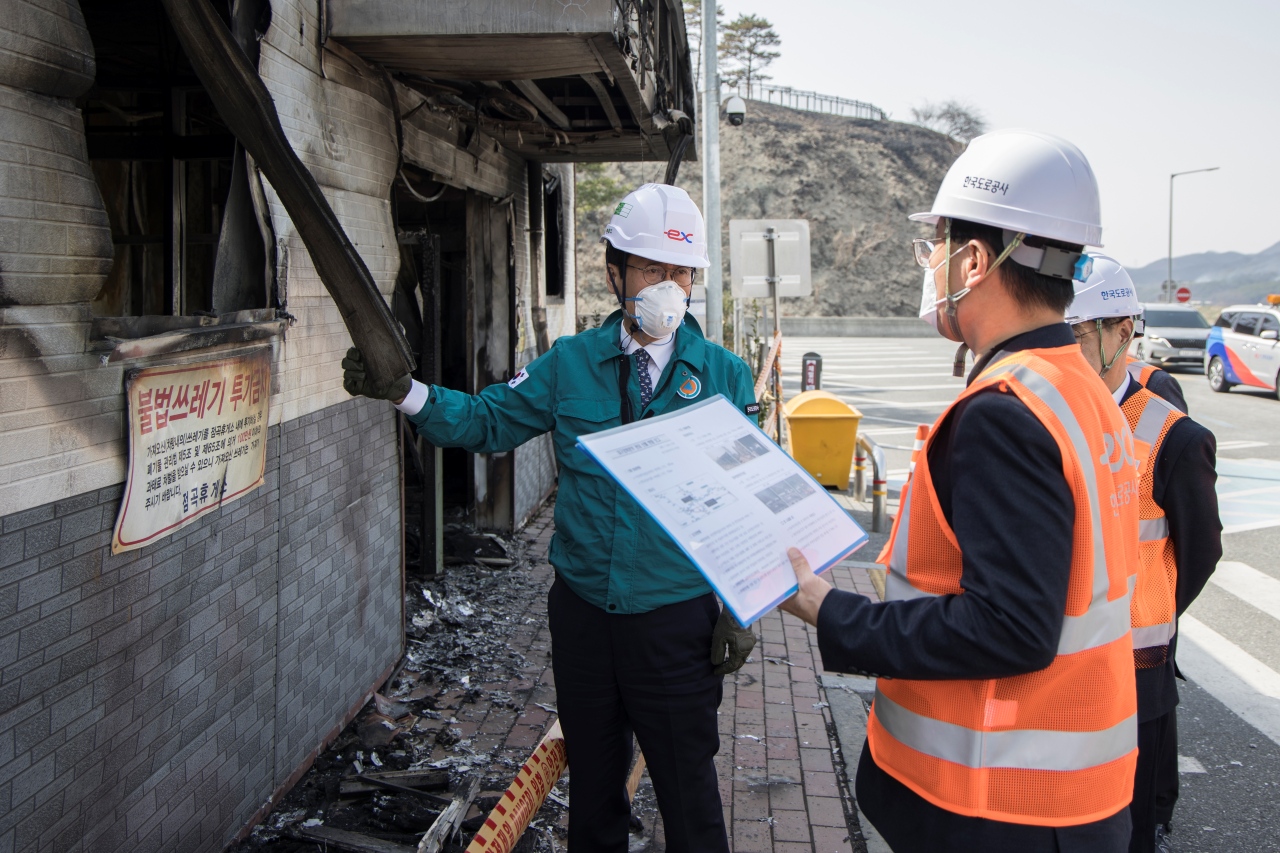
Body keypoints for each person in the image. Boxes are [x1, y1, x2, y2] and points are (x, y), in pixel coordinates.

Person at [342, 182, 757, 853]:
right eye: (653, 269)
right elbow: (487, 421)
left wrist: (741, 609)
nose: (670, 287)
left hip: (675, 622)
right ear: (615, 273)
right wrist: (405, 393)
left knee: (691, 799)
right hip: (584, 620)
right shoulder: (569, 363)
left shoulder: (724, 376)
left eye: (683, 272)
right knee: (593, 792)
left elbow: (746, 502)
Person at [778, 129, 1143, 852]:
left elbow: (1009, 627)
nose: (931, 265)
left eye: (934, 247)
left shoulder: (1005, 412)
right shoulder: (1080, 387)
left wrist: (829, 608)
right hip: (1073, 796)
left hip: (998, 802)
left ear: (975, 261)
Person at [1065, 257, 1222, 853]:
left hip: (1135, 672)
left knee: (1128, 829)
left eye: (1077, 335)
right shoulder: (1042, 415)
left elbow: (1201, 551)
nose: (1064, 350)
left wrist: (1150, 607)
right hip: (1053, 666)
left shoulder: (1173, 437)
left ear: (1122, 331)